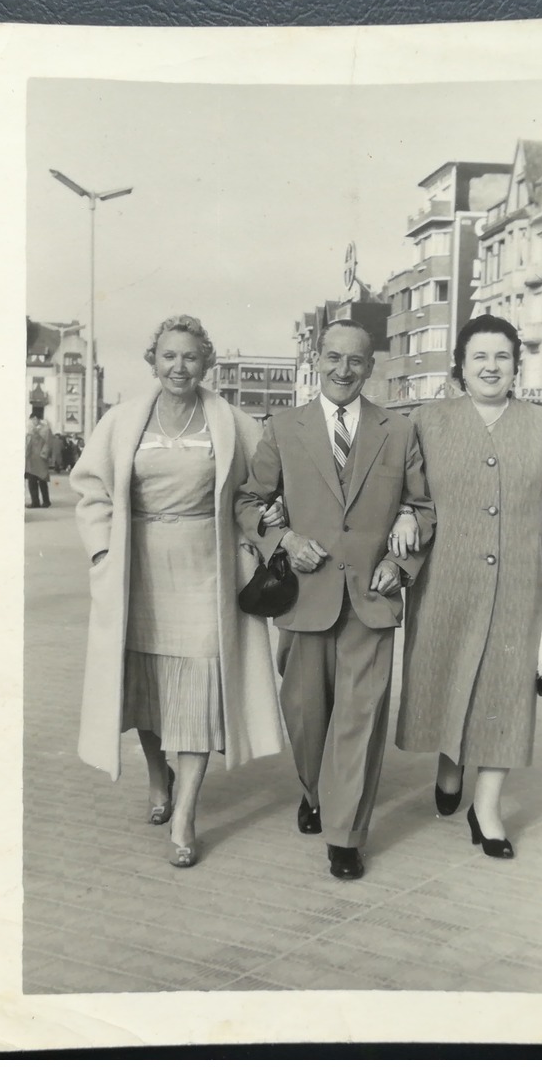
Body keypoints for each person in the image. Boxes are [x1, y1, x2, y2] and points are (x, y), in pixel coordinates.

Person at [70, 315, 283, 867]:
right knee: (147, 686)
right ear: (153, 361)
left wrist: (258, 542)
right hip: (136, 570)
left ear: (206, 362)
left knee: (198, 692)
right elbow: (91, 490)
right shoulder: (122, 421)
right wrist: (101, 550)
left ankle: (185, 814)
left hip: (205, 573)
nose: (179, 367)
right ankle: (157, 777)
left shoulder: (232, 422)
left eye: (190, 357)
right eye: (168, 356)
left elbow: (263, 487)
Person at [235, 322, 433, 881]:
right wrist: (285, 540)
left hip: (372, 597)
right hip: (305, 595)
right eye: (333, 358)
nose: (343, 370)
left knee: (360, 720)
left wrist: (402, 563)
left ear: (371, 367)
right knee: (305, 715)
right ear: (317, 360)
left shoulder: (398, 429)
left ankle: (344, 834)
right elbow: (250, 500)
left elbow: (422, 507)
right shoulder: (282, 428)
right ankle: (315, 789)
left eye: (356, 361)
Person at [395, 315, 542, 859]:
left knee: (506, 689)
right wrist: (405, 515)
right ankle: (450, 766)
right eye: (480, 356)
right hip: (445, 578)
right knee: (451, 675)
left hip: (521, 584)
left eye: (502, 356)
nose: (491, 367)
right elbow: (407, 492)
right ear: (461, 365)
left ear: (516, 365)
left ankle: (488, 807)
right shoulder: (427, 423)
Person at [25, 411, 54, 508]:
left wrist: (45, 455)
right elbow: (27, 444)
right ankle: (35, 502)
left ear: (37, 419)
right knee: (32, 481)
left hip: (41, 458)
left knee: (42, 480)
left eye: (34, 419)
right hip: (32, 459)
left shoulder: (45, 430)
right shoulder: (30, 430)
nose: (33, 421)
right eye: (31, 420)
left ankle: (46, 501)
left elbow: (49, 443)